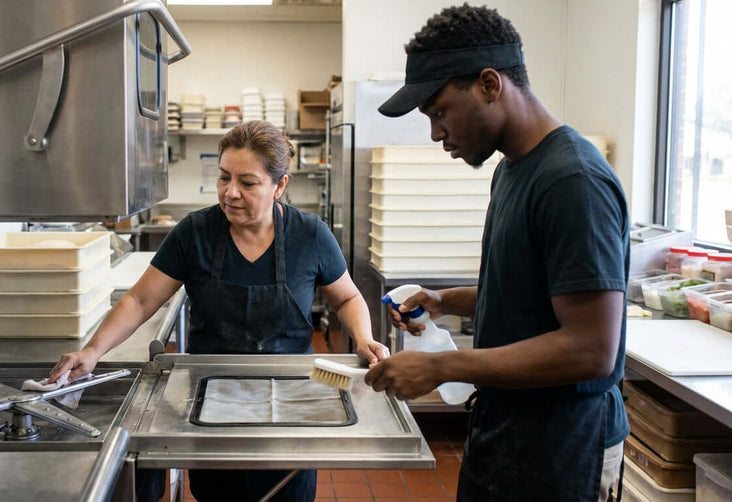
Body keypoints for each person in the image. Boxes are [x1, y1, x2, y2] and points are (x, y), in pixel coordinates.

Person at [366, 4, 630, 501]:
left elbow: (591, 348)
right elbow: (527, 290)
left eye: (440, 112)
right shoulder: (513, 170)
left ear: (490, 84)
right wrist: (447, 300)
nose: (435, 133)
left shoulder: (572, 180)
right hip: (509, 427)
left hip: (562, 443)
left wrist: (443, 367)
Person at [48, 120, 389, 502]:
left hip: (291, 403)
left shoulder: (310, 235)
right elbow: (141, 300)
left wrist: (364, 338)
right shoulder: (195, 232)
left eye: (247, 183)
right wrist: (92, 351)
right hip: (209, 405)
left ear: (280, 186)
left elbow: (347, 298)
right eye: (224, 178)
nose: (230, 193)